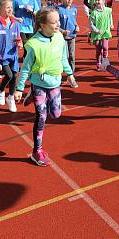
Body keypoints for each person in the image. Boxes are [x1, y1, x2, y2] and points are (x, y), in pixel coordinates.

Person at [15, 9, 77, 165]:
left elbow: (63, 58)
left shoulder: (59, 38)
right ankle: (37, 151)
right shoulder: (34, 44)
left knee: (56, 114)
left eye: (58, 21)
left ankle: (32, 95)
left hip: (55, 82)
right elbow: (26, 68)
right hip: (39, 83)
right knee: (41, 116)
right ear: (42, 25)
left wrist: (69, 74)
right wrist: (19, 88)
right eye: (54, 22)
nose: (58, 24)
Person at [0, 0, 23, 113]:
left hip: (13, 55)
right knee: (9, 75)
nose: (10, 9)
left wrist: (19, 43)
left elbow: (18, 38)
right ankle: (1, 90)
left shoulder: (15, 24)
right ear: (0, 9)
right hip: (2, 56)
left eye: (11, 8)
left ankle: (11, 98)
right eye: (7, 7)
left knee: (14, 76)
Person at [57, 0, 79, 77]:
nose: (69, 0)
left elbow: (74, 21)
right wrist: (62, 31)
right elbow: (56, 24)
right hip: (62, 37)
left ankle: (71, 74)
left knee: (72, 56)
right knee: (64, 56)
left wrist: (77, 26)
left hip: (72, 36)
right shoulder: (59, 10)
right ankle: (61, 72)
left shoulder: (74, 9)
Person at [89, 0, 113, 70]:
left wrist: (111, 24)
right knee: (98, 49)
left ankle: (105, 59)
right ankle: (98, 62)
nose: (97, 1)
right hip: (97, 33)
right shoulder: (94, 13)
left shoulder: (108, 10)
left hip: (105, 31)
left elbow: (110, 17)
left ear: (103, 1)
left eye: (99, 0)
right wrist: (96, 30)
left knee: (105, 47)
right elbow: (91, 24)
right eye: (96, 0)